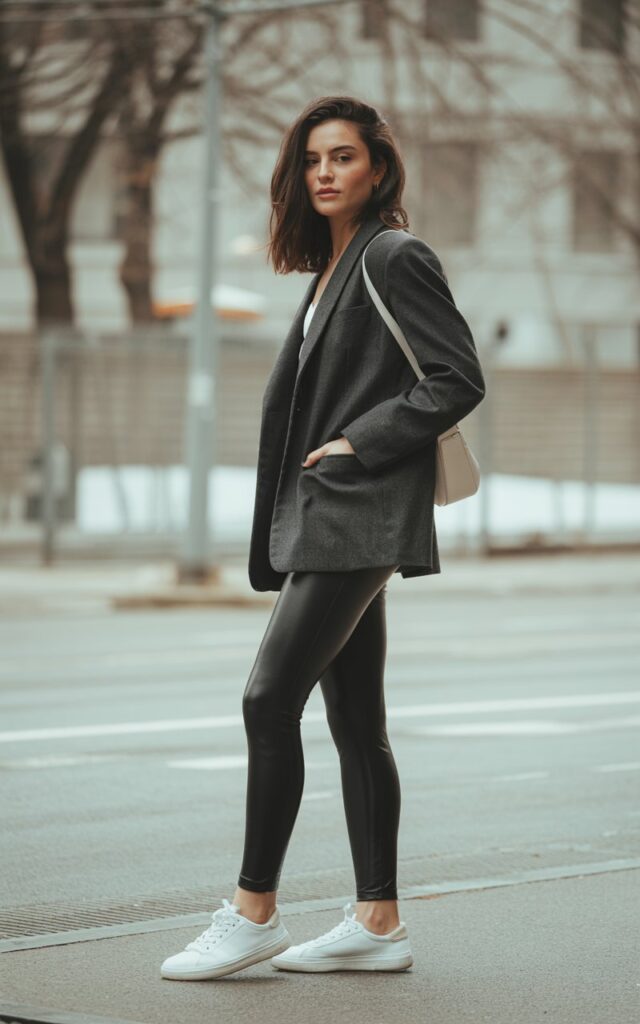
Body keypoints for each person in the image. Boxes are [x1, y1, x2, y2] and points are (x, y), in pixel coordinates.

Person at [161, 95, 485, 982]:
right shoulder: (331, 270)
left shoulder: (394, 255)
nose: (326, 173)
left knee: (268, 702)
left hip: (358, 511)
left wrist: (358, 442)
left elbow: (458, 377)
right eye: (313, 161)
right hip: (334, 515)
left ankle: (252, 909)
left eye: (343, 157)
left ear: (377, 168)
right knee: (354, 721)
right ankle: (377, 921)